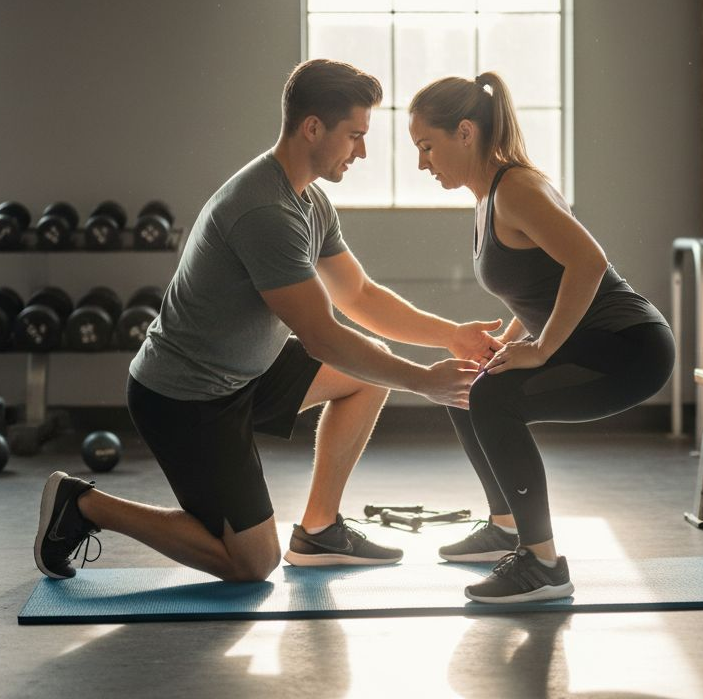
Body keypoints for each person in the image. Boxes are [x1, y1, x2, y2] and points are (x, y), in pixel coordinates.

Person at [33, 59, 503, 583]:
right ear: (312, 128)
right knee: (251, 564)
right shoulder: (264, 212)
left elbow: (361, 295)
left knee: (367, 380)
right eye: (354, 135)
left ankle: (320, 530)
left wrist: (450, 335)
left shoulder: (310, 201)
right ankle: (83, 505)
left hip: (246, 374)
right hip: (186, 398)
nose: (361, 151)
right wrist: (422, 381)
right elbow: (323, 334)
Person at [407, 71, 675, 603]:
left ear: (465, 132)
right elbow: (537, 286)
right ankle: (506, 526)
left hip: (627, 347)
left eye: (426, 147)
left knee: (491, 397)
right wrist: (509, 343)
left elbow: (589, 263)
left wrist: (542, 348)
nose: (422, 163)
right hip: (587, 338)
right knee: (469, 384)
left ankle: (543, 563)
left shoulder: (518, 189)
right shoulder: (486, 198)